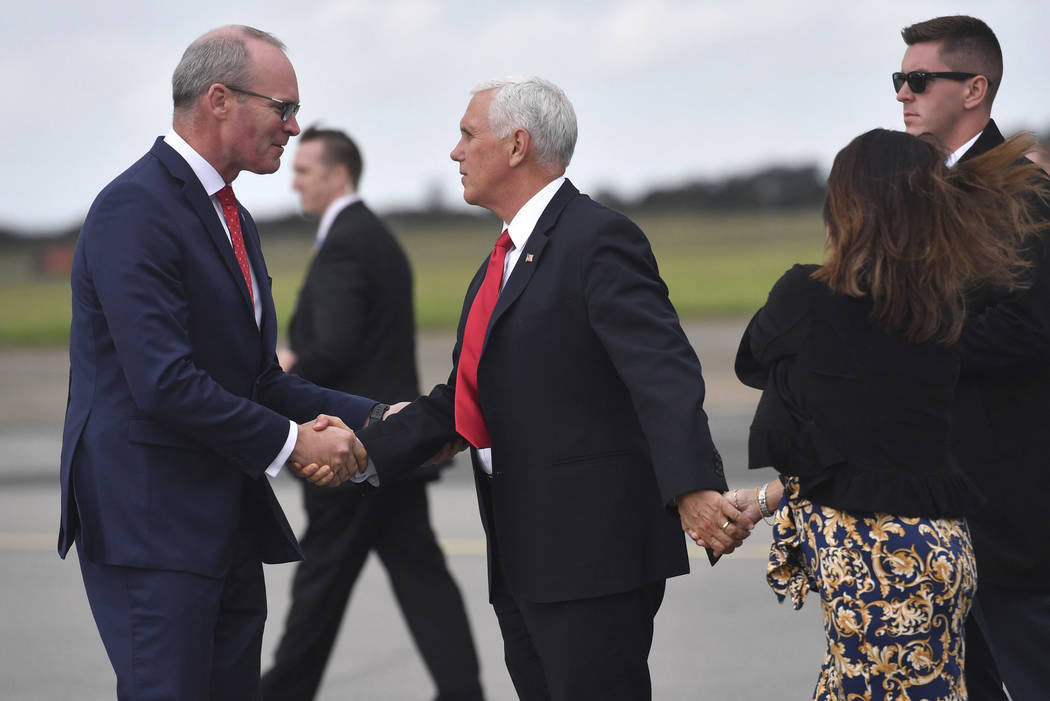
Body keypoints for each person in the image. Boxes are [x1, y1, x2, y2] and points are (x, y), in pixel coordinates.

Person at [341, 76, 751, 701]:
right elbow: (466, 399)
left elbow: (662, 372)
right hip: (525, 551)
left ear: (516, 146)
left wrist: (693, 487)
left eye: (467, 135)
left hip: (592, 555)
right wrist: (365, 449)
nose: (454, 152)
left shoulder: (597, 239)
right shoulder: (502, 259)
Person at [58, 26, 380, 700]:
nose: (294, 128)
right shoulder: (134, 209)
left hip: (222, 516)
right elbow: (164, 383)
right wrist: (295, 443)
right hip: (153, 524)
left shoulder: (232, 218)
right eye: (283, 109)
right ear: (219, 100)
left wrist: (379, 417)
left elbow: (258, 379)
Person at [731, 128, 1047, 698]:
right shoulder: (944, 309)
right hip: (946, 549)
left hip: (874, 560)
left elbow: (752, 360)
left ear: (845, 205)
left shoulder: (808, 295)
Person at [261, 127, 484, 701]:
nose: (295, 180)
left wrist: (285, 365)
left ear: (339, 175)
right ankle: (462, 690)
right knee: (420, 577)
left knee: (320, 585)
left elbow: (334, 346)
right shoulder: (375, 236)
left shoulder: (345, 243)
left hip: (354, 446)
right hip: (394, 445)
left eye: (305, 170)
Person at [895, 16, 1050, 699]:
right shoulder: (930, 190)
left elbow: (1032, 325)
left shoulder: (1021, 193)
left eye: (920, 80)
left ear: (974, 89)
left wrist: (912, 343)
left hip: (1012, 519)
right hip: (944, 518)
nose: (904, 92)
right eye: (899, 79)